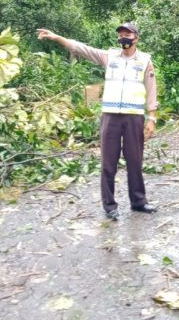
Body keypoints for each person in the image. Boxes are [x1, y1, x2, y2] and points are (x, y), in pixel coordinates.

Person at [37, 22, 157, 220]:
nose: (123, 37)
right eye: (121, 34)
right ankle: (109, 206)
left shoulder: (145, 61)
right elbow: (81, 48)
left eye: (127, 33)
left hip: (134, 118)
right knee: (108, 163)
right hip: (110, 117)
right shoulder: (109, 56)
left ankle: (139, 202)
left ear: (136, 38)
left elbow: (152, 89)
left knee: (135, 161)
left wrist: (151, 117)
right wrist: (56, 37)